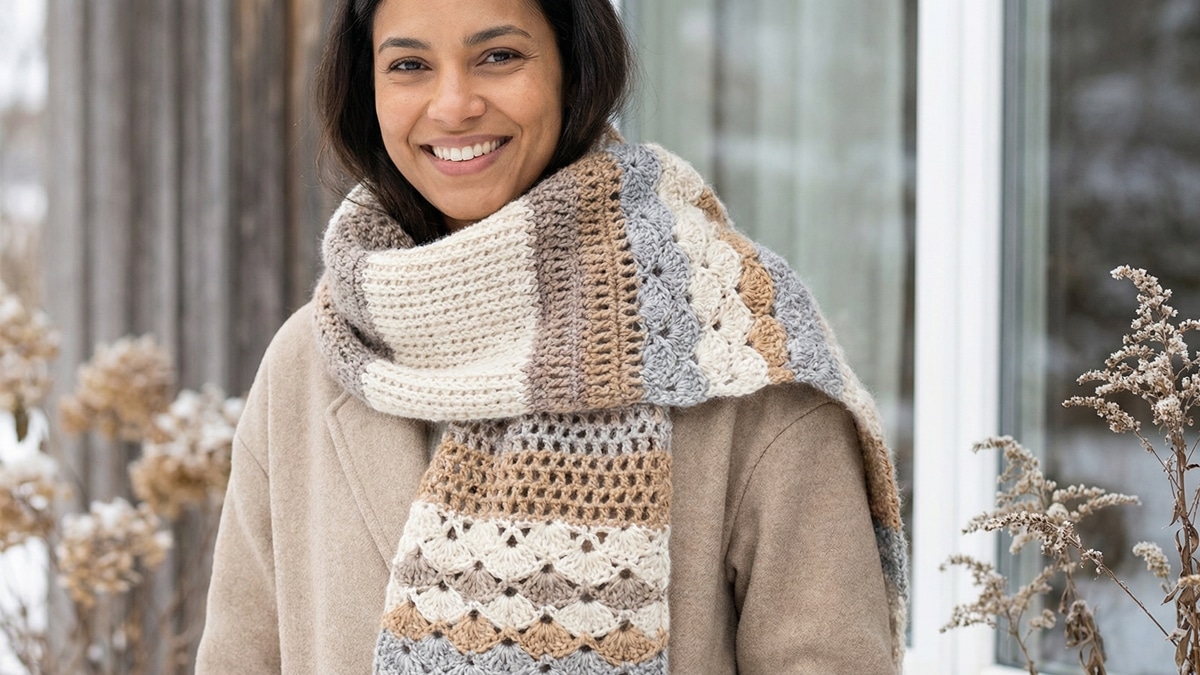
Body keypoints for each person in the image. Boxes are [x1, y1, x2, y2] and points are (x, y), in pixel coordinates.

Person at [196, 0, 907, 672]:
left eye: (499, 55)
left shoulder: (735, 352)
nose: (453, 105)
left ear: (575, 67)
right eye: (408, 65)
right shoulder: (309, 363)